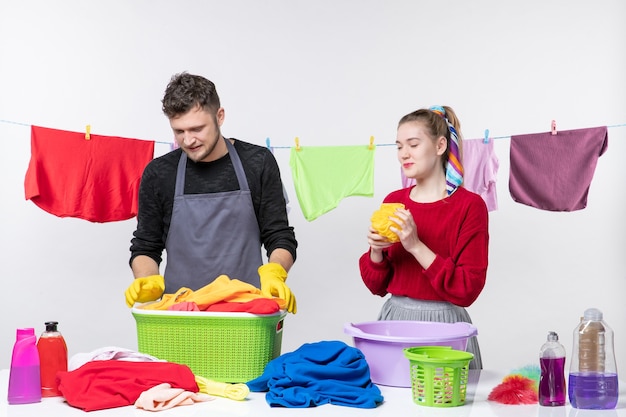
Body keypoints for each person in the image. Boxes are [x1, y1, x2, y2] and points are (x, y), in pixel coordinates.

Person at [125, 72, 298, 313]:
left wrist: (275, 272)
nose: (188, 140)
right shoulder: (159, 173)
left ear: (220, 116)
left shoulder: (258, 163)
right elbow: (146, 246)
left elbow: (279, 235)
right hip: (180, 314)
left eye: (197, 129)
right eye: (179, 131)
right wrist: (147, 279)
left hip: (245, 313)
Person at [359, 106, 488, 368]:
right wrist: (376, 251)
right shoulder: (394, 202)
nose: (403, 154)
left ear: (440, 145)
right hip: (394, 321)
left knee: (444, 404)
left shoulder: (469, 206)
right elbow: (376, 287)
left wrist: (415, 245)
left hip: (445, 327)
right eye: (398, 146)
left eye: (413, 144)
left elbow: (467, 289)